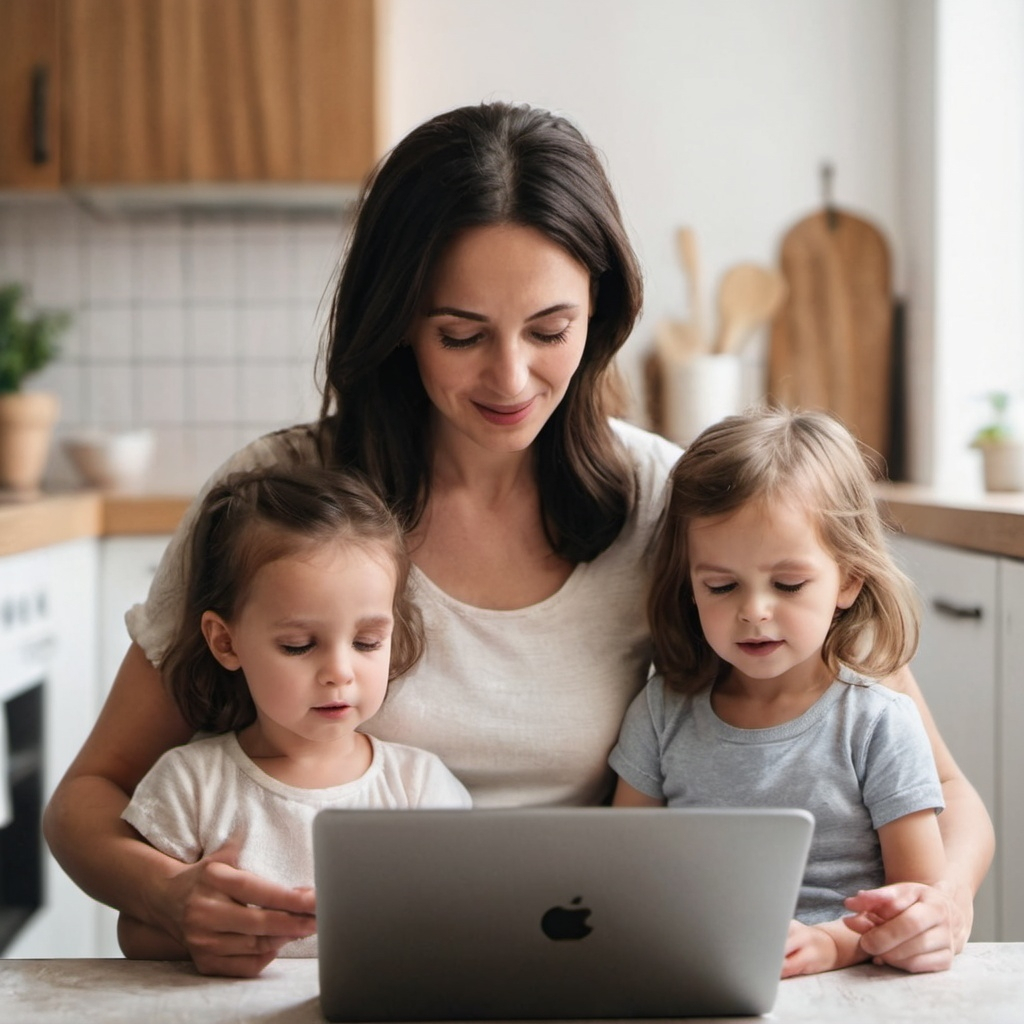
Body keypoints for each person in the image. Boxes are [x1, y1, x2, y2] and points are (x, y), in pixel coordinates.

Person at [43, 101, 991, 978]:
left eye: (550, 329)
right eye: (461, 334)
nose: (511, 377)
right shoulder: (283, 501)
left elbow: (946, 787)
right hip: (341, 977)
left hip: (593, 967)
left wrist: (940, 903)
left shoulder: (669, 503)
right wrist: (169, 892)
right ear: (396, 325)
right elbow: (90, 795)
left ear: (602, 313)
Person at [609, 408, 949, 976]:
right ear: (690, 587)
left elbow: (920, 902)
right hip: (697, 973)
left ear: (848, 579)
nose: (753, 611)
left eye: (788, 584)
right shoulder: (661, 711)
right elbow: (619, 869)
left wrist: (836, 945)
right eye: (721, 585)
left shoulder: (879, 722)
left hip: (848, 982)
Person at [117, 466, 471, 960]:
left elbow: (466, 922)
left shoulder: (418, 788)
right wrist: (201, 937)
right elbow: (134, 934)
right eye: (299, 646)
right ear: (225, 640)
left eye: (367, 642)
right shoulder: (189, 787)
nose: (339, 672)